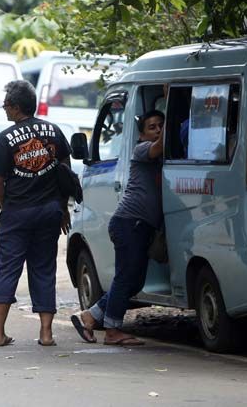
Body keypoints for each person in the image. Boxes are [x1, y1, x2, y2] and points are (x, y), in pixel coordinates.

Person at [0, 80, 72, 347]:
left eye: (5, 105)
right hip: (49, 211)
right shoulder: (54, 131)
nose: (4, 110)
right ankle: (46, 333)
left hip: (17, 212)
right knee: (44, 269)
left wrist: (5, 205)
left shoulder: (5, 138)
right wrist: (62, 208)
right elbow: (65, 174)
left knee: (7, 270)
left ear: (14, 107)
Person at [71, 109, 165, 346]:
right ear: (142, 134)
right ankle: (112, 331)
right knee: (125, 278)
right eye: (152, 127)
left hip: (139, 226)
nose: (157, 130)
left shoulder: (159, 155)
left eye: (160, 125)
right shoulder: (142, 149)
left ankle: (90, 316)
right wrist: (172, 118)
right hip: (128, 223)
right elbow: (158, 146)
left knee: (135, 282)